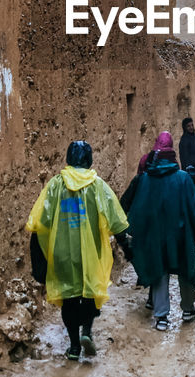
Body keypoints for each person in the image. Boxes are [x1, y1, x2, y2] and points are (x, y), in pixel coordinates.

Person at [26, 141, 132, 361]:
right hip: (90, 252)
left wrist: (39, 254)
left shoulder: (56, 185)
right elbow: (115, 219)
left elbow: (41, 221)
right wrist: (125, 244)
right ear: (89, 158)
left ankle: (74, 346)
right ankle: (87, 332)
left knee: (69, 297)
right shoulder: (97, 186)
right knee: (90, 292)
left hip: (62, 253)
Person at [125, 145, 195, 330]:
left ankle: (161, 316)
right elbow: (194, 206)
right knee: (186, 270)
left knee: (159, 272)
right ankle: (187, 309)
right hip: (181, 235)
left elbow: (139, 209)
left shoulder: (146, 179)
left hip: (155, 237)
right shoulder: (183, 178)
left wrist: (136, 233)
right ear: (174, 160)